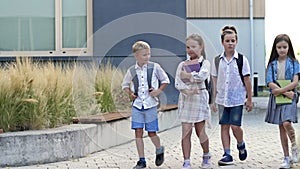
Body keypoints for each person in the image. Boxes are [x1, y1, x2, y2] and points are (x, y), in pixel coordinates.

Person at [122, 41, 170, 169]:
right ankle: (141, 160)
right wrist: (131, 94)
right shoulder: (131, 70)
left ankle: (159, 149)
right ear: (136, 55)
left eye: (148, 54)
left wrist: (158, 91)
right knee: (138, 131)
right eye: (144, 55)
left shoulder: (155, 67)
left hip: (150, 105)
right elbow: (125, 85)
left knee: (151, 132)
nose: (147, 57)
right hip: (137, 105)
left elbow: (165, 80)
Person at [211, 25, 253, 166]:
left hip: (237, 99)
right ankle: (227, 154)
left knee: (235, 126)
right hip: (222, 99)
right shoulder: (217, 61)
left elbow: (247, 80)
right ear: (222, 42)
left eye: (233, 40)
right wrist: (213, 100)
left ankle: (240, 144)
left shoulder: (241, 60)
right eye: (227, 41)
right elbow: (215, 81)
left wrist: (249, 99)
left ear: (236, 41)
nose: (230, 43)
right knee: (224, 126)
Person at [175, 34, 212, 169]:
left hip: (200, 99)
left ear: (201, 47)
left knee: (200, 131)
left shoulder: (205, 63)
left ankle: (206, 155)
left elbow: (202, 76)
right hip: (186, 99)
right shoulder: (182, 64)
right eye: (187, 47)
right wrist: (187, 90)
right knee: (185, 131)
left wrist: (187, 75)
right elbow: (178, 83)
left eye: (193, 46)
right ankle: (186, 160)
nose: (190, 49)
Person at [265, 34, 299, 169]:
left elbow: (295, 81)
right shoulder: (272, 64)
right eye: (279, 47)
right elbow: (269, 82)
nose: (282, 50)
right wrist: (283, 92)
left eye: (284, 47)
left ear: (289, 47)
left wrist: (282, 91)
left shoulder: (294, 63)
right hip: (280, 96)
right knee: (281, 126)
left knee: (286, 122)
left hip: (290, 96)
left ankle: (294, 145)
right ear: (275, 48)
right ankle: (286, 157)